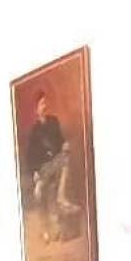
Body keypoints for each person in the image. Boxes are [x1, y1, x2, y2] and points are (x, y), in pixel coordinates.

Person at [25, 91, 80, 243]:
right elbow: (30, 157)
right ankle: (46, 231)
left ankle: (60, 196)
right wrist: (35, 172)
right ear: (36, 109)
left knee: (65, 157)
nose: (45, 106)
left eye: (45, 103)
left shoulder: (53, 122)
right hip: (43, 168)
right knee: (40, 191)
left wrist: (65, 144)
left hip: (56, 162)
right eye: (42, 104)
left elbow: (61, 141)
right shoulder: (34, 132)